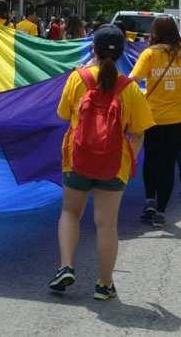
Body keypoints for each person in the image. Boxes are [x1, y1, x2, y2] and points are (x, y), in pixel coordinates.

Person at [48, 23, 151, 299]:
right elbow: (138, 133)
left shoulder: (77, 79)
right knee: (106, 224)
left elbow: (62, 115)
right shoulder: (129, 88)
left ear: (92, 49)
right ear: (121, 53)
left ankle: (65, 266)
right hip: (114, 164)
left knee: (71, 212)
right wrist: (130, 160)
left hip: (76, 159)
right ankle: (104, 285)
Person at [128, 15, 181, 227]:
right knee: (168, 164)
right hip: (178, 119)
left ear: (155, 32)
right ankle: (161, 212)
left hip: (151, 117)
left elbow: (131, 81)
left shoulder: (149, 54)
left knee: (151, 161)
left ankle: (149, 201)